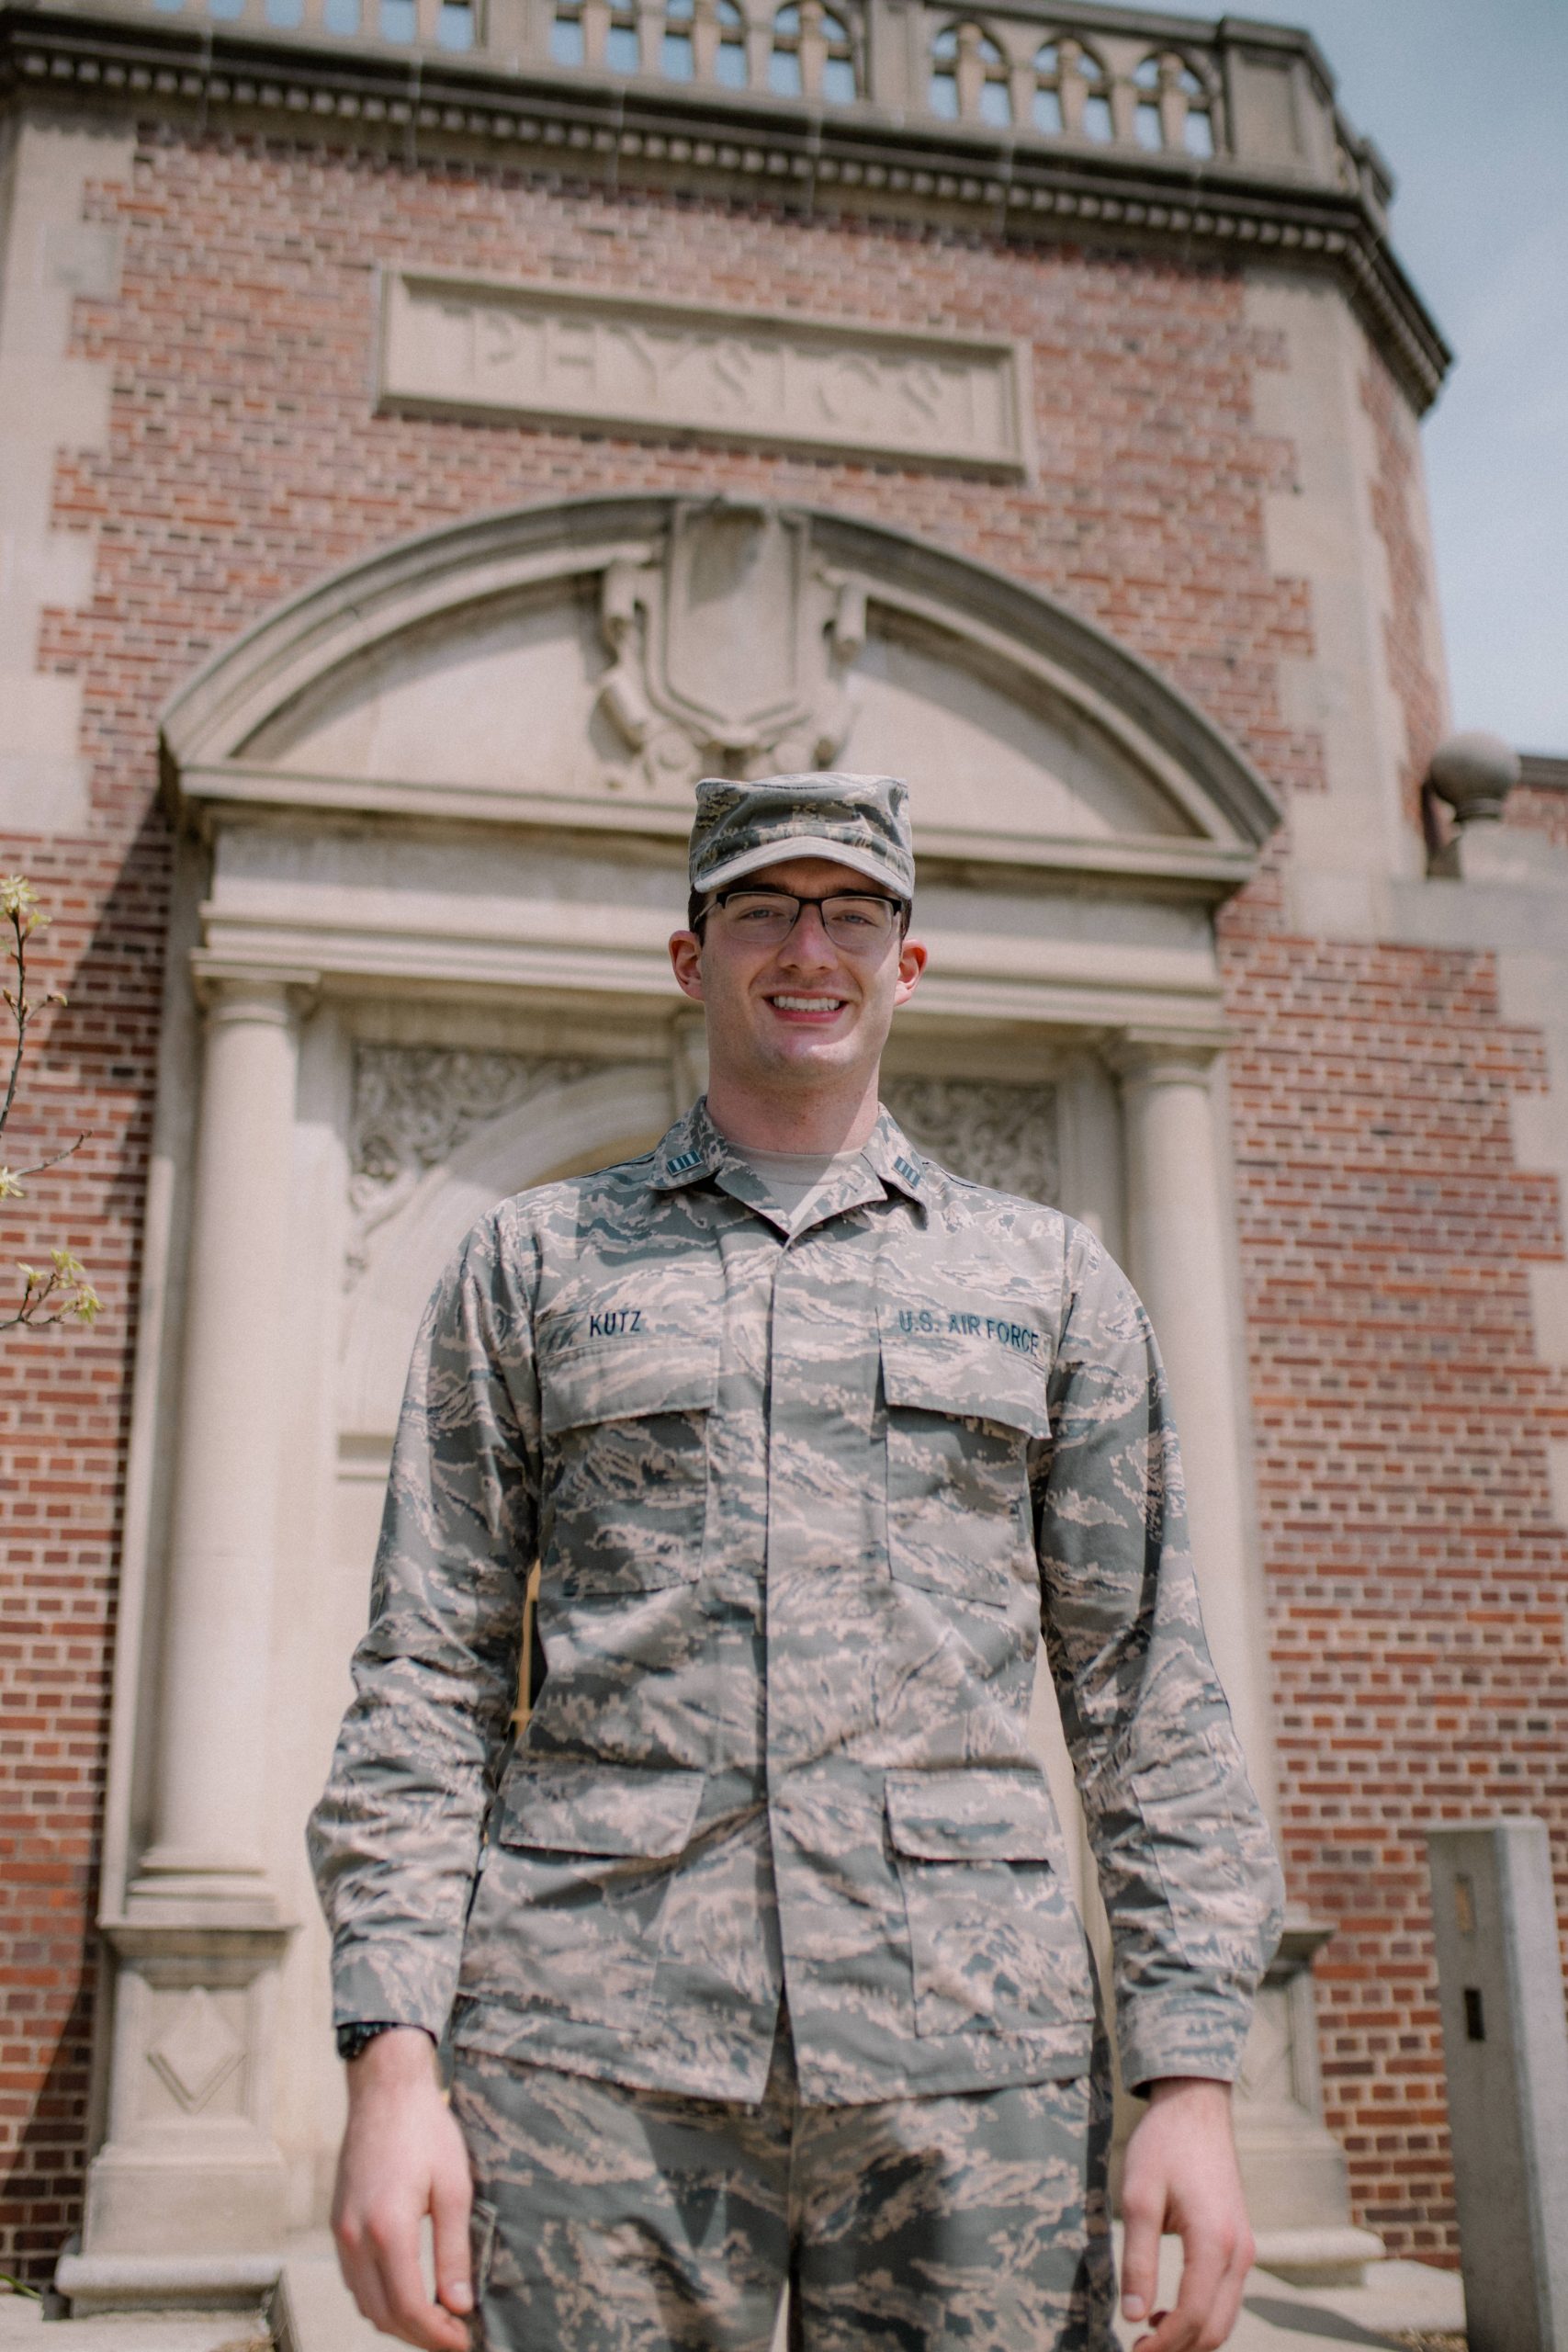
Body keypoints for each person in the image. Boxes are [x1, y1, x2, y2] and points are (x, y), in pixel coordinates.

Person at [309, 770, 1284, 2352]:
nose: (805, 947)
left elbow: (1146, 1695)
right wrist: (392, 2062)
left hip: (972, 2064)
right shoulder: (533, 1262)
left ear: (908, 961)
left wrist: (1189, 2078)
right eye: (760, 908)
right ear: (691, 957)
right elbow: (426, 1674)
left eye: (850, 912)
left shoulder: (1046, 1282)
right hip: (586, 2059)